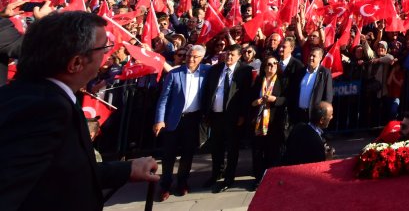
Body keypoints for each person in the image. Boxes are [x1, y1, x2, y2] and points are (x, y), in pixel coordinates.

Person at [0, 11, 159, 210]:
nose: (106, 55)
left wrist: (126, 170)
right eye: (104, 48)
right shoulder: (45, 111)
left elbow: (63, 173)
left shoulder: (30, 95)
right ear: (76, 63)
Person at [154, 44, 209, 201]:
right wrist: (159, 120)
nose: (190, 59)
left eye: (194, 57)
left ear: (201, 58)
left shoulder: (207, 71)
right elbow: (163, 98)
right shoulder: (174, 73)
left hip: (193, 120)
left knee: (187, 154)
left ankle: (182, 182)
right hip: (173, 120)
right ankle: (165, 185)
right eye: (188, 56)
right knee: (168, 155)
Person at [201, 44, 253, 193]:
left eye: (232, 55)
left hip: (233, 116)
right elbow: (209, 91)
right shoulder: (216, 69)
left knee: (232, 148)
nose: (229, 57)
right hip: (216, 115)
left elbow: (245, 95)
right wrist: (207, 112)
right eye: (227, 54)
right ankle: (216, 173)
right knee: (216, 147)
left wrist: (243, 114)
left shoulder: (245, 71)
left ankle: (229, 178)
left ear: (238, 56)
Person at [249, 55, 287, 190]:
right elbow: (250, 100)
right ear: (264, 67)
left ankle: (272, 177)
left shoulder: (282, 80)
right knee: (258, 151)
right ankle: (259, 178)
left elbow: (286, 99)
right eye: (268, 64)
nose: (271, 67)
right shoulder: (259, 81)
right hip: (258, 122)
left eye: (274, 64)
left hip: (274, 121)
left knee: (273, 151)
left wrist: (274, 99)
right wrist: (257, 102)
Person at [287, 47, 334, 126]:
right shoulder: (301, 72)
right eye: (310, 55)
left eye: (314, 56)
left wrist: (324, 113)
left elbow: (328, 95)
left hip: (314, 114)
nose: (311, 58)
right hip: (299, 113)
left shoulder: (325, 73)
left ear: (320, 58)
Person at [280, 101, 333, 167]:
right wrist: (328, 158)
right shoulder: (317, 142)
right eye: (330, 115)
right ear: (321, 120)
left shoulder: (298, 126)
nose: (331, 117)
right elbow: (319, 167)